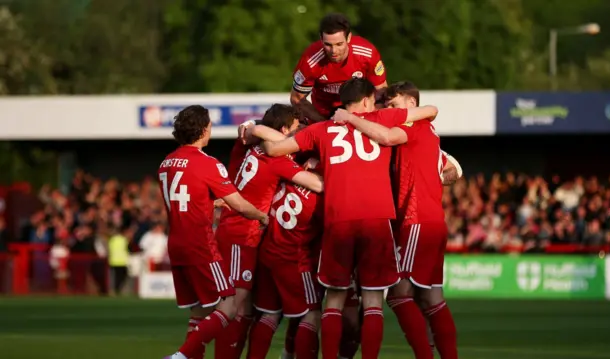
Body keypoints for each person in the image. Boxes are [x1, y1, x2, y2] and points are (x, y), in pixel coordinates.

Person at [255, 78, 438, 359]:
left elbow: (274, 150)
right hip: (376, 220)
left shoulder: (320, 130)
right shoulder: (383, 118)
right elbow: (429, 110)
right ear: (366, 100)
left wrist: (257, 129)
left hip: (339, 221)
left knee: (334, 302)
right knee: (374, 301)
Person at [338, 81, 462, 359]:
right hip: (431, 221)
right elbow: (452, 167)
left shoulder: (413, 126)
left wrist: (349, 118)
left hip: (416, 219)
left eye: (394, 105)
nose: (390, 110)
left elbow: (387, 137)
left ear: (411, 105)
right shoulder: (428, 129)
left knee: (398, 295)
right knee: (431, 298)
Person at [214, 104, 324, 359]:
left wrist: (258, 128)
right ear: (285, 130)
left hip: (252, 238)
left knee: (256, 312)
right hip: (245, 235)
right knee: (235, 308)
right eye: (295, 131)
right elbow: (315, 184)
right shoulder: (279, 161)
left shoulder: (245, 146)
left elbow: (248, 130)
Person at [160, 105, 269, 359]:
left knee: (198, 312)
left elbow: (185, 198)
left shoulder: (166, 163)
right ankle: (182, 356)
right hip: (200, 243)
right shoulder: (208, 163)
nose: (211, 128)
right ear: (202, 129)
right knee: (229, 306)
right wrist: (262, 215)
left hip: (176, 242)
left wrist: (212, 203)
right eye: (208, 124)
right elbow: (239, 204)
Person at [291, 13, 387, 123]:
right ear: (321, 39)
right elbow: (297, 99)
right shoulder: (310, 61)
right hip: (324, 115)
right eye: (328, 45)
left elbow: (382, 91)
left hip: (361, 113)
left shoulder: (367, 54)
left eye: (339, 44)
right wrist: (325, 124)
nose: (334, 51)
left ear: (349, 38)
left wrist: (370, 118)